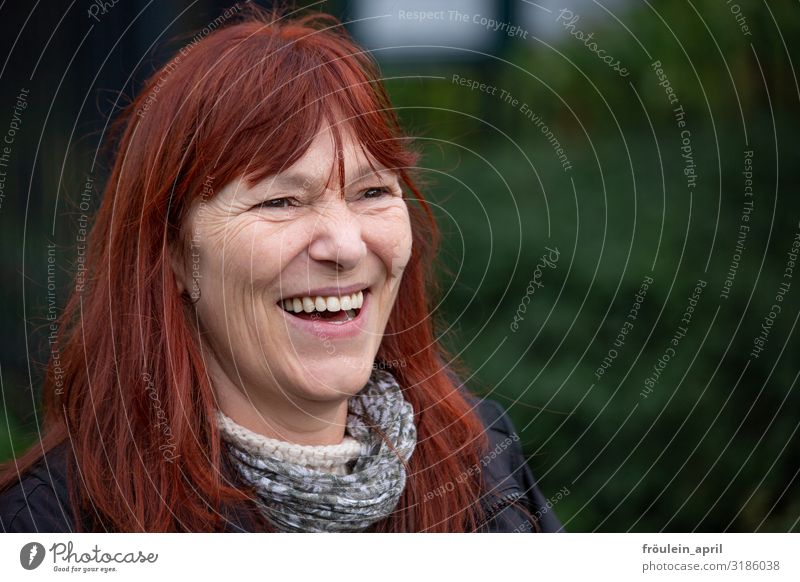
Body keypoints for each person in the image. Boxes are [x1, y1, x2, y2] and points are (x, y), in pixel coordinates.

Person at [0, 5, 562, 533]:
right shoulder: (54, 523)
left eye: (371, 192)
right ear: (171, 255)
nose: (344, 244)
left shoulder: (481, 457)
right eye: (280, 202)